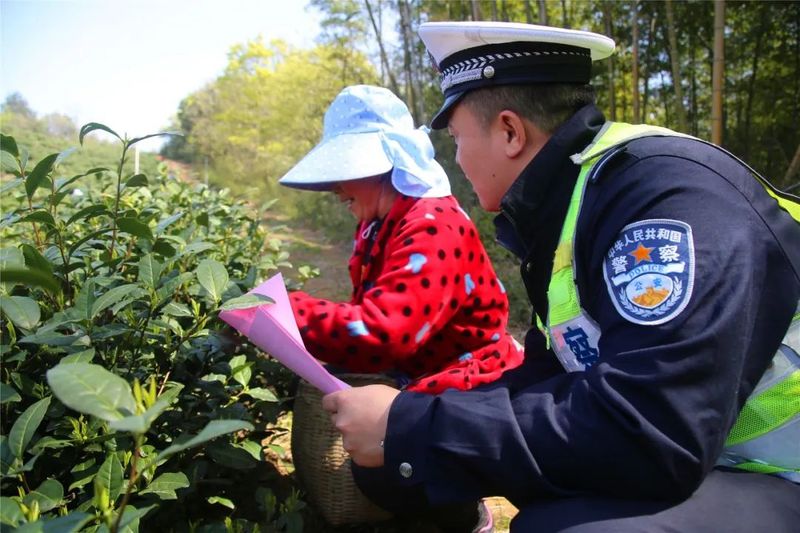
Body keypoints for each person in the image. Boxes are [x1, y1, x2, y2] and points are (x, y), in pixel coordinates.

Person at [321, 22, 800, 532]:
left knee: (559, 527)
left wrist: (418, 426)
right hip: (699, 452)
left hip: (774, 467)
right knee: (396, 466)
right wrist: (412, 422)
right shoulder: (571, 205)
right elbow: (554, 374)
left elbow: (653, 427)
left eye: (456, 138)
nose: (455, 159)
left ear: (510, 132)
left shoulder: (666, 200)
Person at [279, 84, 524, 397]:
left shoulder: (432, 226)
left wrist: (285, 309)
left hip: (470, 391)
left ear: (381, 167)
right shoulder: (378, 223)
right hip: (424, 379)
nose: (335, 188)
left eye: (344, 171)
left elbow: (385, 333)